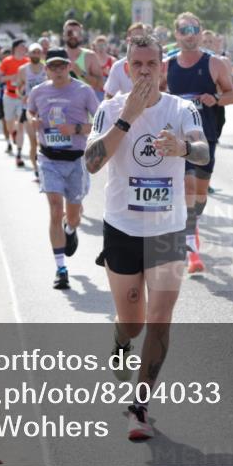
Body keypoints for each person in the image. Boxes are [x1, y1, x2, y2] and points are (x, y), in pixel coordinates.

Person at [84, 34, 209, 440]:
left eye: (150, 64)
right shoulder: (109, 109)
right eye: (136, 65)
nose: (143, 71)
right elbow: (91, 163)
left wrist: (184, 149)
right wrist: (127, 118)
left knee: (159, 320)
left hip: (167, 228)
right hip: (122, 227)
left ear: (162, 68)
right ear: (125, 68)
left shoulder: (181, 108)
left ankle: (139, 405)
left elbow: (204, 151)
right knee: (134, 321)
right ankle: (120, 341)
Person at [166, 13, 233, 274]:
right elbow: (157, 96)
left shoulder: (214, 64)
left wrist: (216, 98)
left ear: (200, 31)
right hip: (178, 138)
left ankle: (190, 225)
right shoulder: (168, 65)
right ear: (177, 34)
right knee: (188, 185)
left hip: (206, 136)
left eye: (195, 29)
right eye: (185, 29)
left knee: (200, 194)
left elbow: (231, 94)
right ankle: (191, 244)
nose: (190, 33)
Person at [27, 49, 99, 289]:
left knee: (74, 215)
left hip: (77, 159)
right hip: (49, 159)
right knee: (55, 210)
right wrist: (32, 120)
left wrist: (76, 130)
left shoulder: (83, 91)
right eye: (52, 67)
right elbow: (30, 112)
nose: (57, 71)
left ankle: (71, 228)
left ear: (69, 66)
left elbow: (100, 125)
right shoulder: (39, 91)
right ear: (46, 69)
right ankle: (61, 269)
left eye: (61, 66)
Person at [0, 40, 30, 165]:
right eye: (22, 46)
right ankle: (13, 132)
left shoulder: (28, 61)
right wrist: (12, 77)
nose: (24, 48)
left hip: (23, 97)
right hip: (9, 95)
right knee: (9, 123)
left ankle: (19, 151)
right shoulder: (7, 61)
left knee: (21, 123)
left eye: (25, 47)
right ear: (15, 48)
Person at [17, 42, 48, 181]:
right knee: (33, 141)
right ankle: (36, 169)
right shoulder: (23, 70)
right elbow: (18, 87)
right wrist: (21, 95)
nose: (35, 55)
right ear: (28, 54)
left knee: (44, 142)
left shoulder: (47, 69)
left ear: (41, 54)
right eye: (33, 52)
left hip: (45, 109)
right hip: (29, 109)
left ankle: (44, 168)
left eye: (38, 52)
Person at [104, 24, 146, 99]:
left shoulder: (158, 63)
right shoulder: (118, 67)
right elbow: (109, 95)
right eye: (136, 38)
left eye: (143, 38)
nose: (140, 41)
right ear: (128, 40)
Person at [61, 19, 105, 93]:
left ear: (81, 36)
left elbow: (100, 84)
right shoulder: (57, 56)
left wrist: (81, 73)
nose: (73, 36)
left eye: (76, 33)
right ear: (64, 35)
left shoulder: (90, 56)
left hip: (84, 102)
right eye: (69, 33)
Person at [92, 35, 114, 102]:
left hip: (108, 94)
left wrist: (109, 74)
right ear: (95, 47)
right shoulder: (91, 60)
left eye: (103, 45)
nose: (101, 48)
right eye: (99, 45)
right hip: (94, 92)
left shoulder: (112, 60)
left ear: (107, 47)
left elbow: (117, 78)